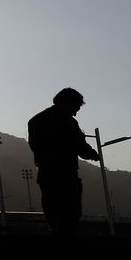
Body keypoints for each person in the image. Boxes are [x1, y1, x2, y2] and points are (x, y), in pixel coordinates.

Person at [27, 88, 100, 236]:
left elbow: (35, 146)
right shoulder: (68, 122)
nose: (76, 112)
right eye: (76, 107)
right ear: (67, 103)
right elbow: (80, 146)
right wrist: (93, 154)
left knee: (53, 214)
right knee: (69, 216)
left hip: (46, 174)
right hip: (66, 175)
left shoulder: (36, 120)